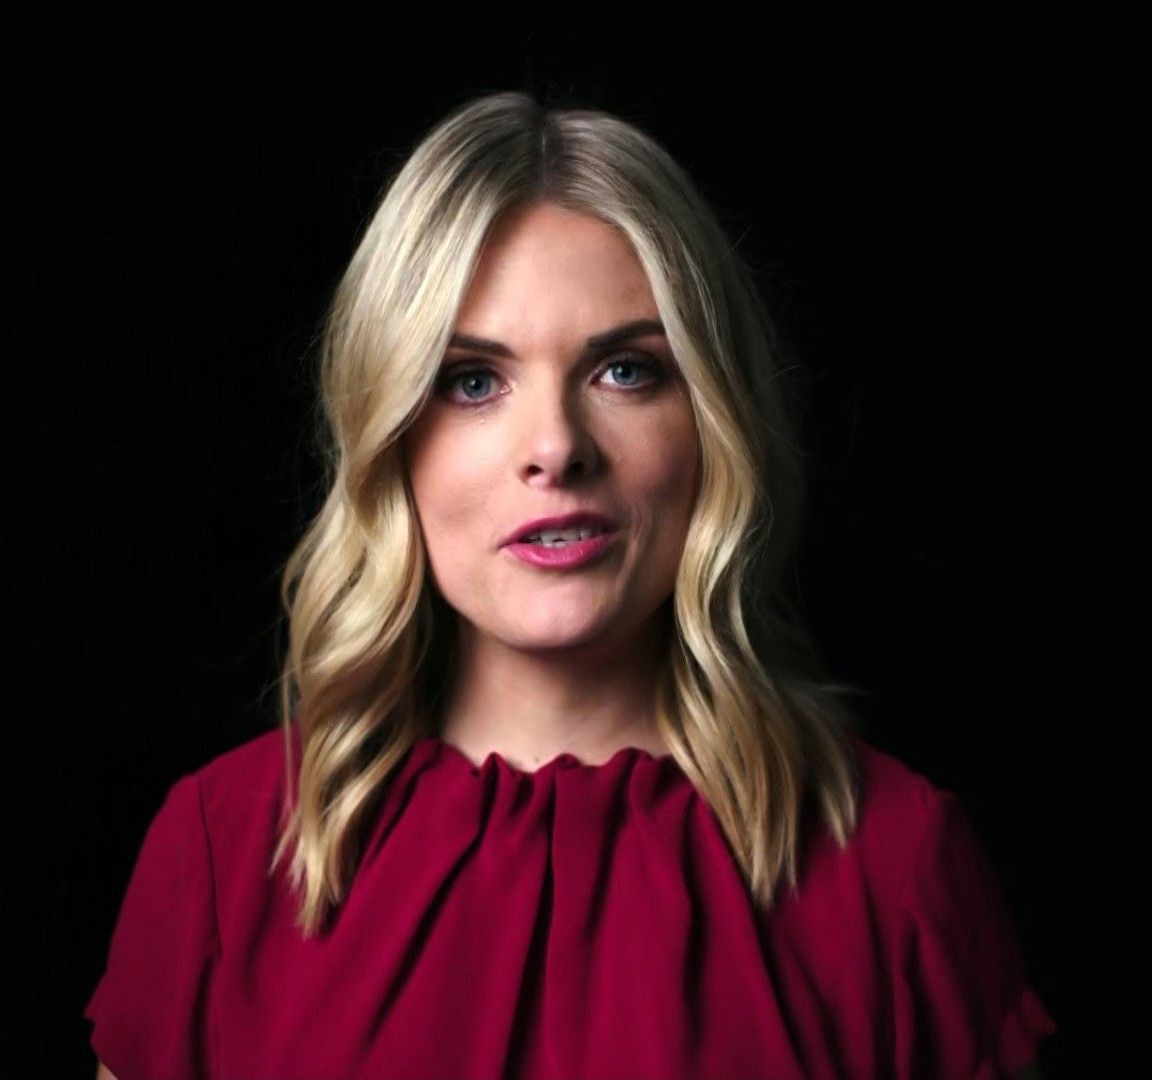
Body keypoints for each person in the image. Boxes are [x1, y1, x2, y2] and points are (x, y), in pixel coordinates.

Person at [84, 90, 1057, 1080]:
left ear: (713, 423)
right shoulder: (220, 853)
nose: (555, 447)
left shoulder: (895, 867)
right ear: (391, 440)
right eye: (472, 381)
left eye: (625, 370)